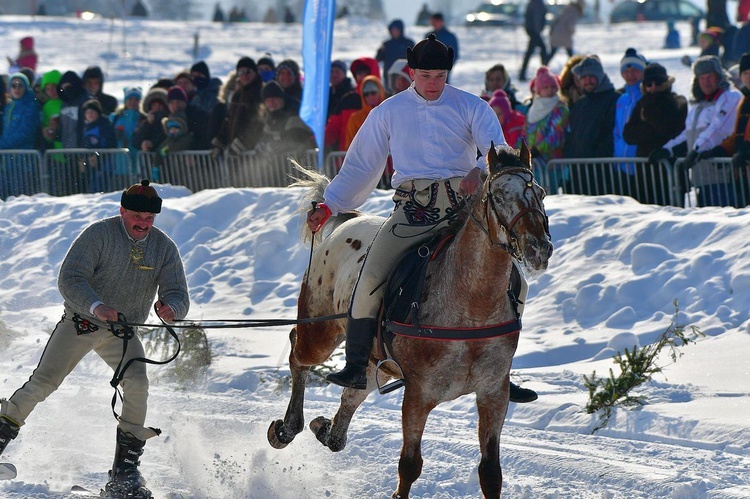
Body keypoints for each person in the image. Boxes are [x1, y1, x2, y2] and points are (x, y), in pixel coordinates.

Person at [307, 34, 537, 404]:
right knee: (369, 277)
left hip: (465, 213)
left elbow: (499, 150)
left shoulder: (472, 107)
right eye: (426, 75)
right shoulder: (388, 111)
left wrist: (480, 169)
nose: (433, 83)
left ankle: (501, 373)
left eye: (440, 76)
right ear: (411, 72)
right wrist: (330, 205)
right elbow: (363, 165)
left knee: (515, 281)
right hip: (413, 210)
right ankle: (355, 363)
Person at [0, 180, 189, 498]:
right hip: (82, 324)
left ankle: (125, 473)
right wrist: (96, 306)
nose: (143, 224)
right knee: (44, 383)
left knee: (139, 384)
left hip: (123, 332)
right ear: (123, 211)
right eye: (137, 217)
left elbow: (178, 292)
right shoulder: (98, 235)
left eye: (149, 220)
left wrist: (172, 308)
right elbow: (70, 277)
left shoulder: (164, 247)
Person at [651, 55, 742, 206]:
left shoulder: (729, 98)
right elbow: (687, 134)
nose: (706, 82)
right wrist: (668, 150)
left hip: (724, 177)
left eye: (710, 77)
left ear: (719, 77)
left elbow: (717, 130)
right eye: (702, 78)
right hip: (703, 178)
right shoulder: (698, 106)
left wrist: (696, 151)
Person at [622, 63, 687, 205]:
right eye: (648, 84)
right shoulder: (641, 104)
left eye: (658, 83)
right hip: (645, 174)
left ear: (666, 83)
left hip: (670, 173)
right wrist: (652, 129)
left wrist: (650, 111)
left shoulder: (677, 102)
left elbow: (669, 129)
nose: (653, 87)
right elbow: (628, 135)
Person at [211, 56, 264, 158]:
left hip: (253, 154)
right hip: (235, 154)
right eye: (240, 72)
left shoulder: (260, 92)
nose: (244, 75)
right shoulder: (238, 94)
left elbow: (258, 123)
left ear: (255, 72)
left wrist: (241, 144)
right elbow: (229, 121)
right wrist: (219, 143)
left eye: (248, 71)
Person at [525, 66, 569, 176]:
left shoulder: (560, 107)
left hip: (552, 163)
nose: (550, 90)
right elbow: (525, 132)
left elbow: (557, 134)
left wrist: (538, 150)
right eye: (546, 87)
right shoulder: (533, 108)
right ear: (539, 90)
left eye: (553, 87)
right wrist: (526, 151)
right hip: (534, 163)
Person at [614, 48, 647, 160]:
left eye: (635, 70)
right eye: (626, 72)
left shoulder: (646, 97)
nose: (630, 75)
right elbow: (617, 132)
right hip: (622, 163)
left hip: (641, 162)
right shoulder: (621, 100)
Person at [344, 75, 386, 150]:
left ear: (380, 92)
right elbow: (349, 145)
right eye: (366, 94)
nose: (370, 96)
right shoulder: (355, 118)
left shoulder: (388, 114)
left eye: (373, 92)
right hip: (365, 160)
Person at [375, 19, 415, 92]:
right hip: (390, 79)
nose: (395, 31)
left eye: (397, 29)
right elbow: (377, 59)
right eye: (393, 30)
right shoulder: (386, 45)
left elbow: (415, 59)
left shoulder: (408, 43)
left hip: (406, 78)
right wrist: (380, 51)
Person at [111, 86, 146, 162]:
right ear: (125, 100)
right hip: (118, 161)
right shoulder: (115, 117)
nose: (133, 102)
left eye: (136, 99)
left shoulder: (144, 118)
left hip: (138, 161)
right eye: (130, 99)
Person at [519, 0, 548, 82]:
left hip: (534, 31)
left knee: (531, 52)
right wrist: (535, 30)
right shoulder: (535, 3)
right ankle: (544, 73)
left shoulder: (535, 3)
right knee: (543, 49)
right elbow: (533, 18)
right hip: (534, 31)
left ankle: (523, 74)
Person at [547, 0, 583, 65]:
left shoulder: (568, 8)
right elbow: (570, 24)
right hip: (564, 35)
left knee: (553, 52)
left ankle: (543, 66)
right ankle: (575, 70)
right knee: (571, 55)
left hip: (557, 33)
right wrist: (572, 31)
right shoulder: (574, 11)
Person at [426, 13, 459, 80]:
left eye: (436, 21)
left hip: (443, 70)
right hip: (428, 70)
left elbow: (454, 54)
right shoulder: (428, 35)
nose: (434, 23)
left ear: (441, 22)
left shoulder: (449, 36)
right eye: (433, 21)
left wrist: (447, 67)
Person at [40, 69, 63, 151]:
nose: (51, 91)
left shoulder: (66, 101)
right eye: (47, 89)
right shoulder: (46, 106)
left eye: (54, 87)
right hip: (55, 152)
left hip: (70, 150)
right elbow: (46, 126)